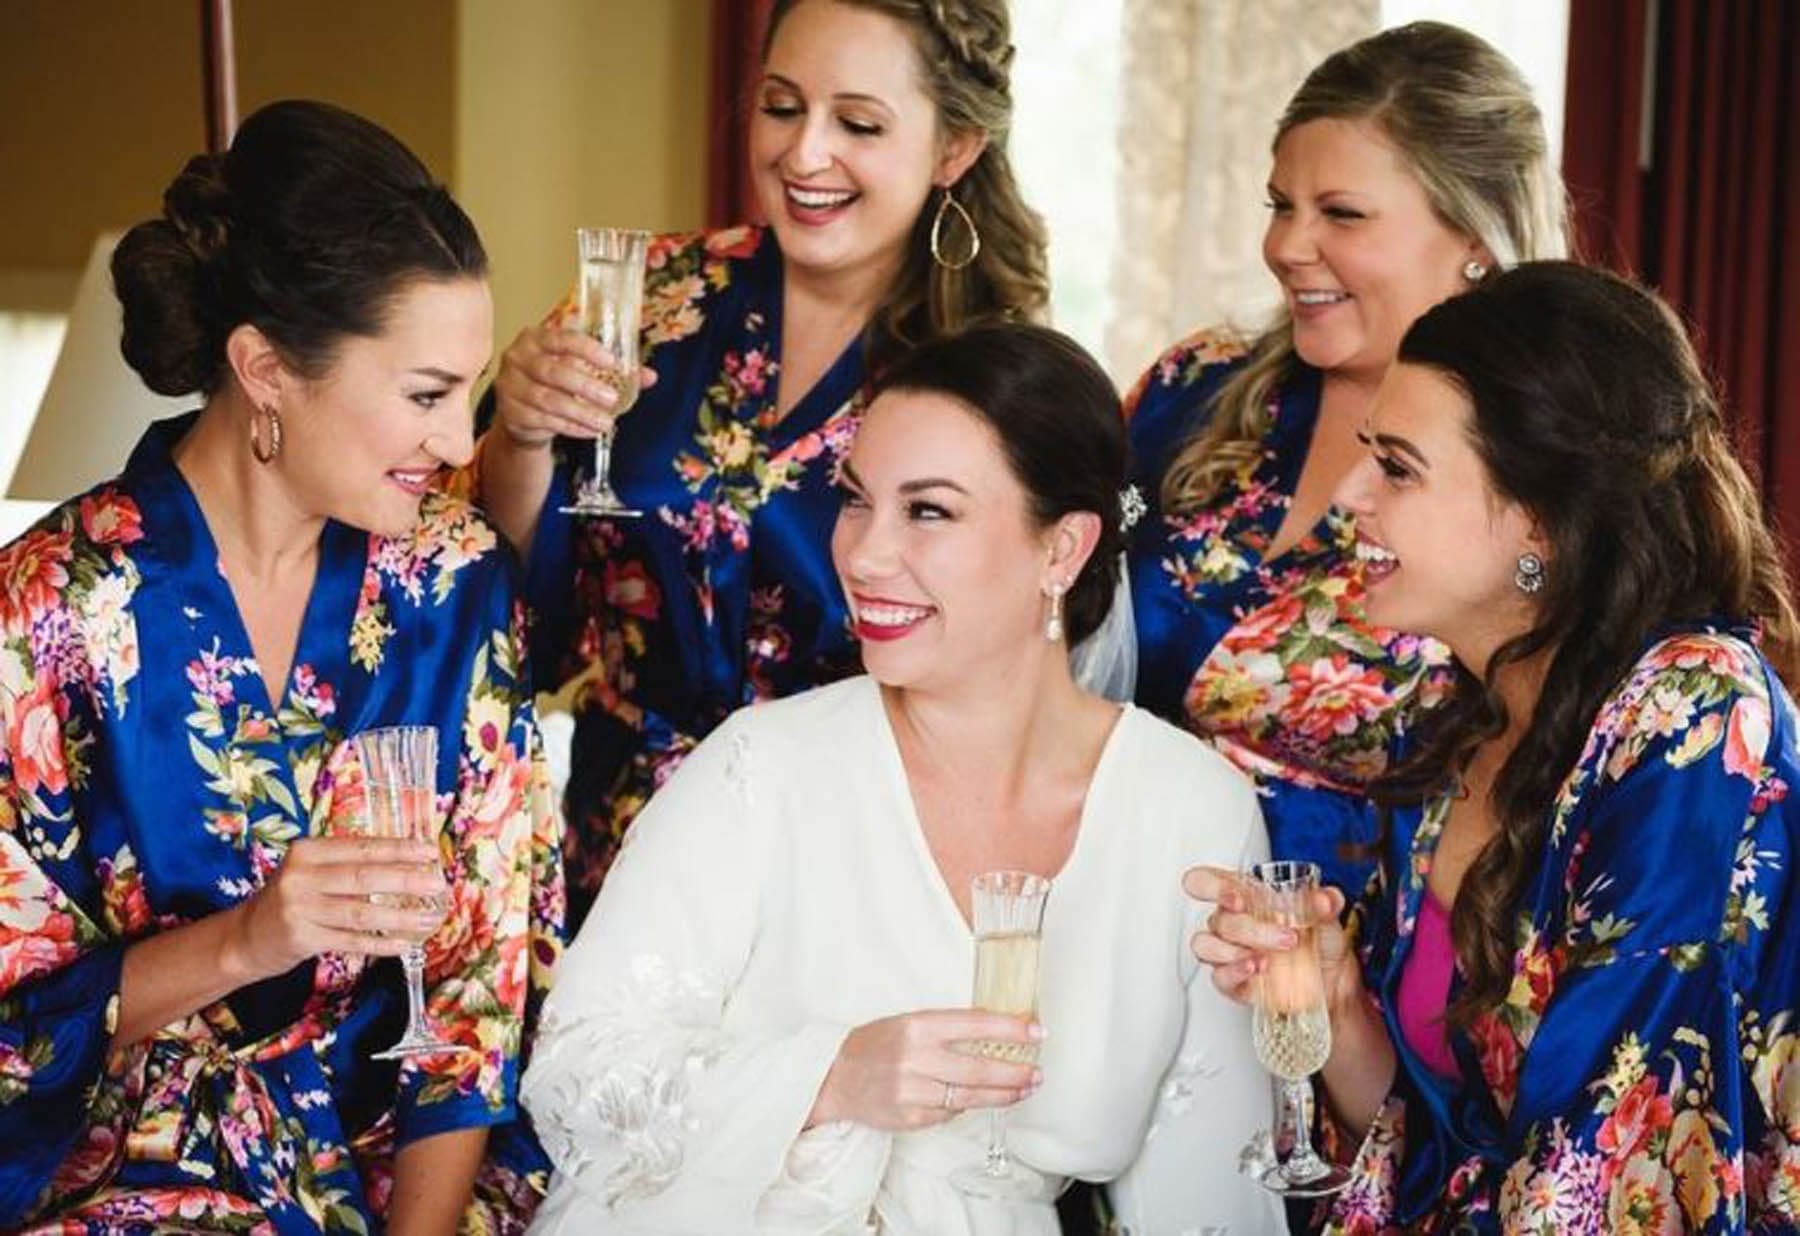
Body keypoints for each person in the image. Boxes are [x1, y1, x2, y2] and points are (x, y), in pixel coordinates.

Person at [518, 324, 1283, 1234]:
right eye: (854, 501)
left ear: (1062, 550)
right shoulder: (759, 767)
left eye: (928, 511)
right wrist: (833, 1077)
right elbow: (573, 1078)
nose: (865, 555)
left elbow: (1211, 1196)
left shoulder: (1190, 811)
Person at [0, 101, 563, 1234]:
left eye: (469, 390)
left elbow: (477, 990)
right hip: (124, 1177)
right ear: (263, 368)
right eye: (425, 394)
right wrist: (251, 940)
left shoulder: (453, 582)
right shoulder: (46, 612)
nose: (462, 445)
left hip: (398, 1170)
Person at [1189, 262, 1800, 1232]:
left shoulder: (1692, 716)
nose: (1348, 495)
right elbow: (1440, 1147)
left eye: (1396, 466)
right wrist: (1340, 1006)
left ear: (1541, 521)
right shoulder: (1463, 715)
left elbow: (1602, 1176)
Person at [470, 0, 1050, 921]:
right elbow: (507, 592)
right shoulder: (654, 294)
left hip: (852, 856)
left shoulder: (993, 372)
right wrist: (521, 436)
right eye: (782, 107)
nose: (804, 153)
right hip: (622, 840)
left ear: (955, 149)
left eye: (857, 123)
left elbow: (1014, 670)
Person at [1124, 22, 1567, 896]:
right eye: (1280, 205)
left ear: (1475, 237)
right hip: (1120, 909)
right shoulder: (1193, 389)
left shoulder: (1543, 465)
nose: (1288, 246)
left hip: (1359, 977)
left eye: (1341, 214)